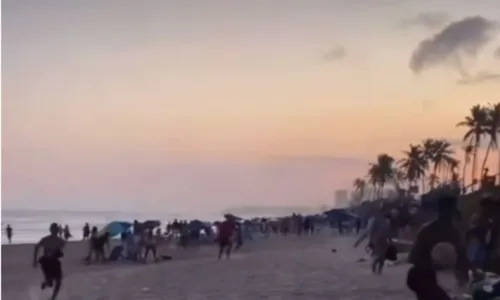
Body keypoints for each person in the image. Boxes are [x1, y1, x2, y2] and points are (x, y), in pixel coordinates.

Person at [406, 194, 469, 300]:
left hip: (431, 277)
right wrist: (433, 264)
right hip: (418, 276)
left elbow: (461, 255)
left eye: (451, 212)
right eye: (447, 211)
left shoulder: (453, 233)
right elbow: (413, 258)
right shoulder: (427, 231)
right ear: (440, 212)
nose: (449, 216)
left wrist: (466, 273)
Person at [33, 223, 65, 300]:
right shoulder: (45, 239)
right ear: (50, 230)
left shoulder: (61, 241)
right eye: (53, 229)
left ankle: (53, 298)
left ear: (58, 230)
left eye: (56, 229)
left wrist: (58, 253)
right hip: (46, 262)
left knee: (59, 280)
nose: (55, 231)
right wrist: (34, 261)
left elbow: (59, 252)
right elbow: (36, 247)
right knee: (50, 283)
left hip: (54, 261)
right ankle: (46, 283)